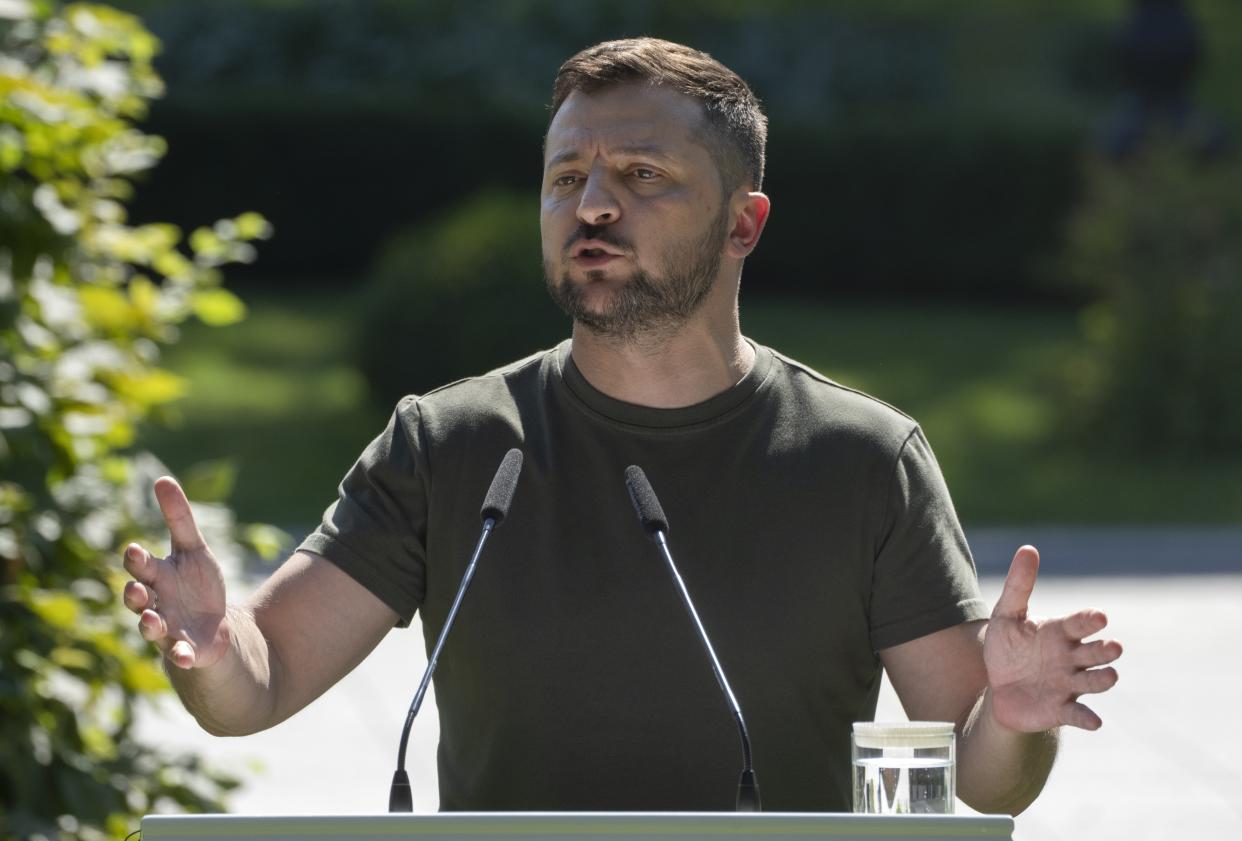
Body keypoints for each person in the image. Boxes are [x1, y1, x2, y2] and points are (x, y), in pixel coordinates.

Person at [121, 38, 1122, 815]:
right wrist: (210, 649)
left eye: (641, 174)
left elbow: (970, 771)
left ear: (743, 224)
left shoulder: (863, 460)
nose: (592, 204)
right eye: (568, 178)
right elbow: (262, 680)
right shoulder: (450, 444)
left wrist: (1019, 721)